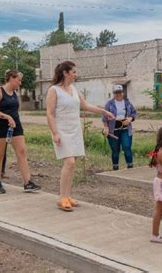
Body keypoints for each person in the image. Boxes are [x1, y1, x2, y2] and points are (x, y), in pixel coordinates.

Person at [46, 61, 114, 212]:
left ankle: (68, 196)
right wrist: (55, 132)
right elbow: (50, 114)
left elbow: (86, 106)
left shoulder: (74, 89)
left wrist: (104, 112)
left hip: (75, 129)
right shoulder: (54, 90)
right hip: (61, 130)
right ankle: (62, 197)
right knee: (69, 162)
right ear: (65, 73)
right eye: (74, 72)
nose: (76, 74)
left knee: (73, 164)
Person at [0, 69, 40, 194]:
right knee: (0, 155)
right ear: (11, 78)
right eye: (19, 79)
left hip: (15, 125)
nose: (20, 82)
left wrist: (13, 118)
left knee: (22, 151)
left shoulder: (14, 93)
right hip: (0, 126)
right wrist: (7, 117)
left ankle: (27, 182)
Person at [102, 85, 137, 170]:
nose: (118, 94)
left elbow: (134, 113)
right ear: (113, 93)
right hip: (113, 131)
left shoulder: (127, 103)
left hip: (125, 130)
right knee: (115, 150)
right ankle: (115, 169)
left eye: (120, 92)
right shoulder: (109, 104)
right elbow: (104, 117)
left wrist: (130, 119)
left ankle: (130, 168)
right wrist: (106, 127)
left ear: (123, 92)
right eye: (116, 92)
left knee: (126, 147)